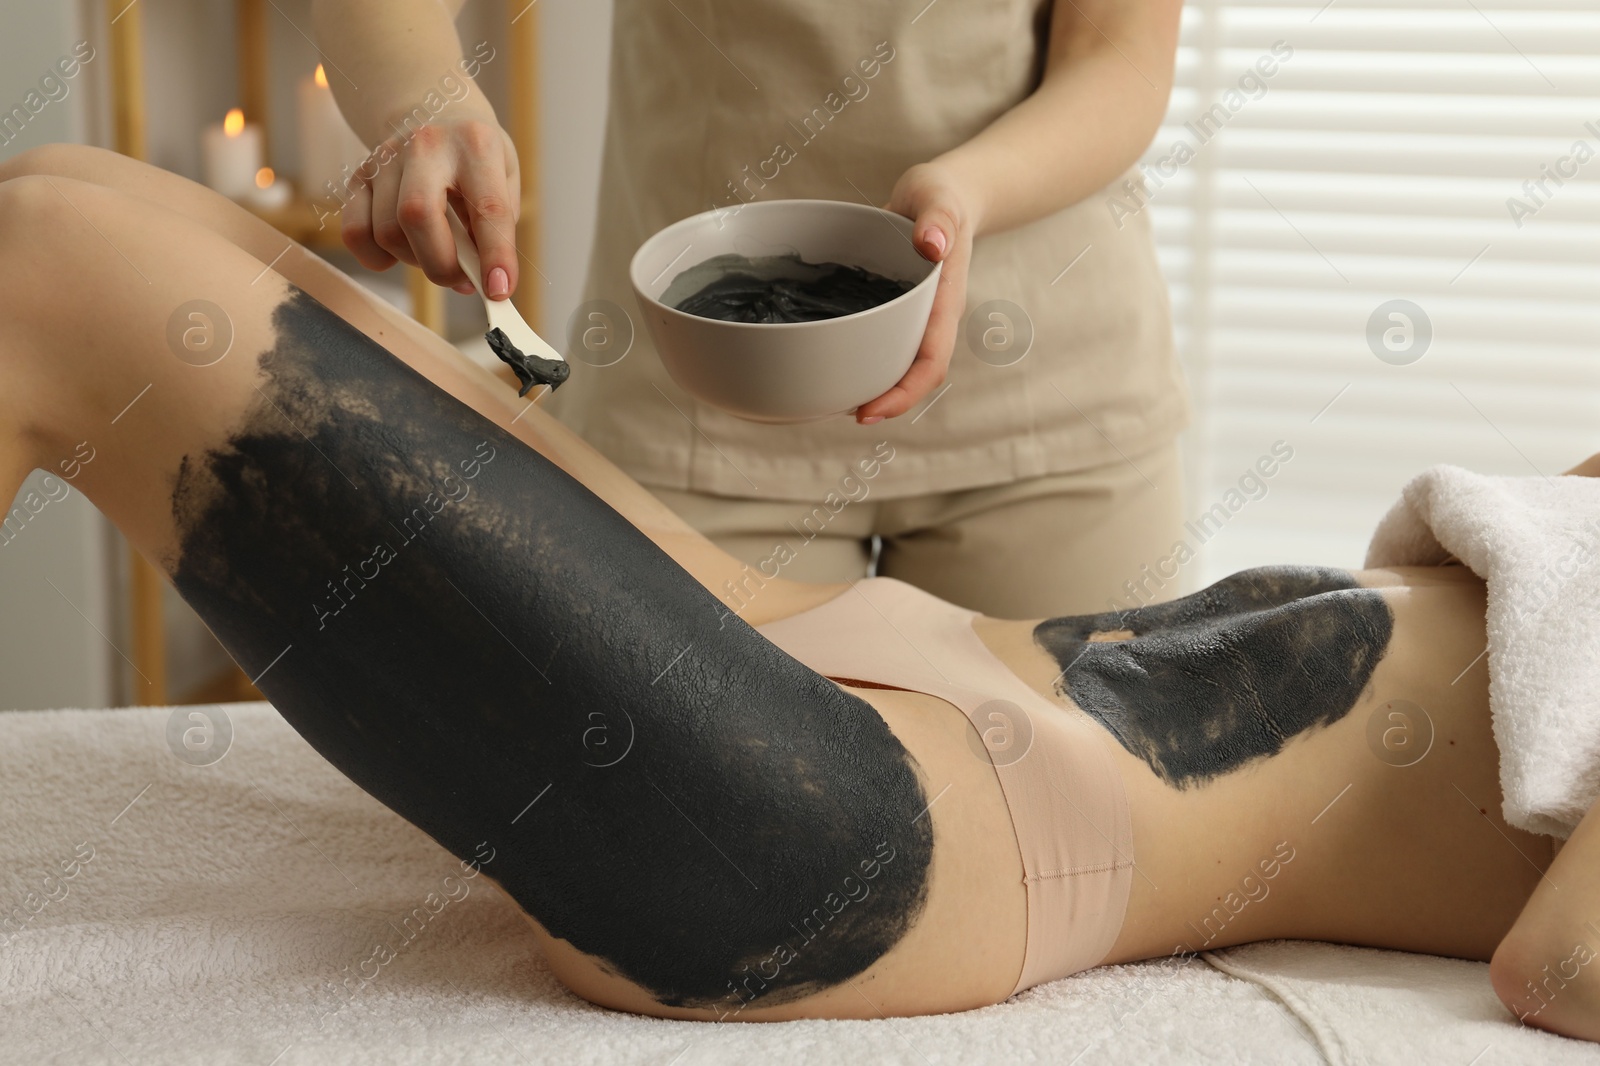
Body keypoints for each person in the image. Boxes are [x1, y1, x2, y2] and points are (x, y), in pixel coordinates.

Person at [5, 144, 1600, 1041]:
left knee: (44, 269)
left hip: (889, 842)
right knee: (79, 191)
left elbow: (1564, 966)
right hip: (889, 665)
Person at [307, 0, 1192, 620]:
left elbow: (1121, 52)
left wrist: (965, 196)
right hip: (694, 403)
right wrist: (426, 105)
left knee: (1093, 824)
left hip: (1053, 398)